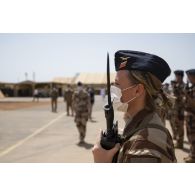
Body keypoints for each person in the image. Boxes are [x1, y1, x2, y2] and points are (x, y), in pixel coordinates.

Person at [92, 50, 177, 163]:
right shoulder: (143, 123)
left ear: (137, 90)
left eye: (117, 84)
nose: (113, 88)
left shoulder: (144, 146)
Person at [184, 69, 195, 163]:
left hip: (193, 117)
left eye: (189, 76)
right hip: (189, 116)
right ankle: (192, 154)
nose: (188, 79)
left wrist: (187, 95)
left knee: (193, 137)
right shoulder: (191, 88)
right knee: (190, 136)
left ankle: (193, 157)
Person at [172, 70, 186, 149]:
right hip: (176, 109)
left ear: (180, 76)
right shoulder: (176, 85)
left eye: (176, 76)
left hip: (181, 109)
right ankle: (178, 141)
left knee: (180, 126)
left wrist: (175, 89)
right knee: (176, 126)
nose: (175, 78)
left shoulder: (183, 86)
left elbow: (181, 97)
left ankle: (180, 143)